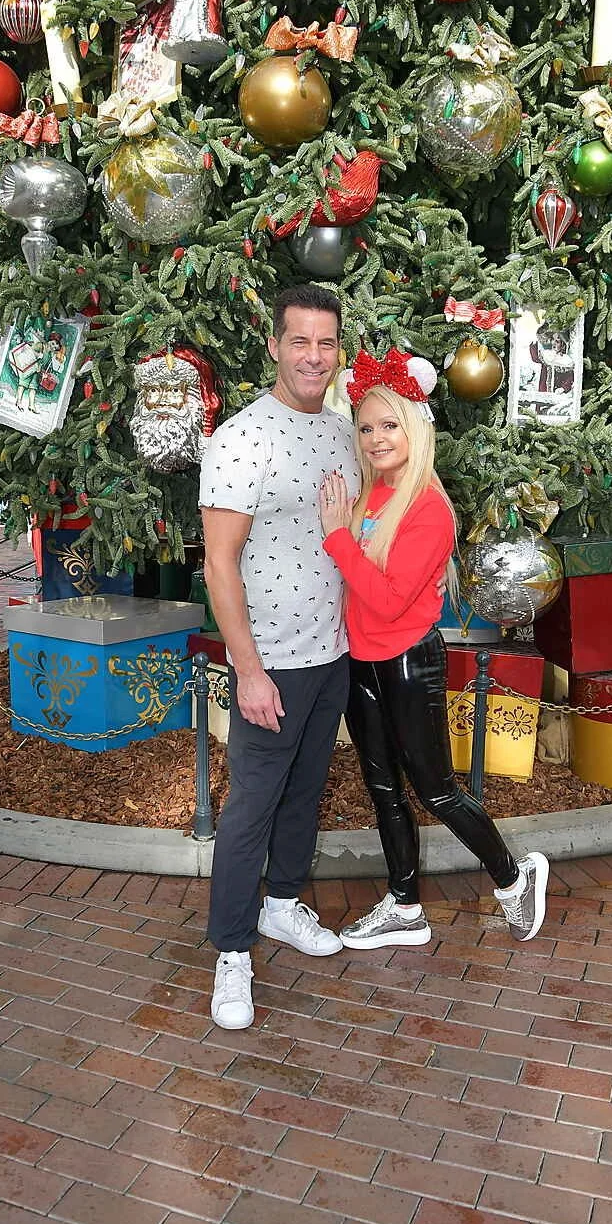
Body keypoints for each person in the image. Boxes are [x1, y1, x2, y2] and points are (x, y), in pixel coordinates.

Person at [318, 349, 549, 950]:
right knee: (382, 789)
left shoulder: (428, 509)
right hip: (361, 662)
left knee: (437, 790)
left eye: (389, 425)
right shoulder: (370, 496)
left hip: (407, 662)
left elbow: (388, 601)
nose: (376, 438)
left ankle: (513, 878)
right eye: (366, 427)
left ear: (415, 429)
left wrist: (337, 538)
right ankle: (404, 906)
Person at [198, 283, 361, 1031]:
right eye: (300, 341)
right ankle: (231, 952)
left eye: (325, 343)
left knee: (304, 791)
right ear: (274, 346)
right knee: (251, 807)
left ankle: (282, 904)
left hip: (332, 653)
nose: (313, 356)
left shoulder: (341, 432)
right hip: (272, 661)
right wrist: (250, 668)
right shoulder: (242, 438)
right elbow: (219, 563)